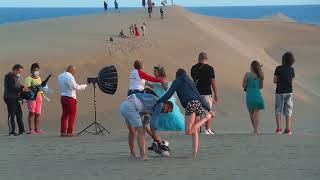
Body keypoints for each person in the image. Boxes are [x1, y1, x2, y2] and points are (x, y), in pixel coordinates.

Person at [157, 69, 215, 159]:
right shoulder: (190, 82)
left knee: (189, 131)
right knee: (194, 131)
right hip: (198, 104)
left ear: (177, 75)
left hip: (190, 105)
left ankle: (206, 118)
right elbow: (199, 96)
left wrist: (159, 101)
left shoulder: (177, 81)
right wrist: (208, 108)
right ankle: (194, 154)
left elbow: (169, 94)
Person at [120, 92, 173, 160]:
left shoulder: (151, 106)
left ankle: (133, 154)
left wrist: (153, 136)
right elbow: (153, 125)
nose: (166, 112)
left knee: (132, 132)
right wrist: (157, 138)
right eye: (167, 110)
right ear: (166, 105)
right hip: (131, 106)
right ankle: (143, 156)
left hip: (124, 106)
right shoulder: (160, 104)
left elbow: (144, 125)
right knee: (141, 132)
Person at [147, 65, 184, 131]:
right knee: (159, 114)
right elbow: (154, 86)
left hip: (165, 98)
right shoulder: (155, 79)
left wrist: (163, 84)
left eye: (155, 71)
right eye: (154, 71)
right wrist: (146, 83)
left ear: (159, 72)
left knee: (170, 114)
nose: (154, 73)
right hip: (157, 97)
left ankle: (178, 127)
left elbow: (166, 88)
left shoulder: (162, 78)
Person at [191, 52, 218, 135]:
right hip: (206, 93)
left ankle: (196, 128)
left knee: (197, 111)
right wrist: (216, 94)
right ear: (206, 59)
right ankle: (207, 129)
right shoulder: (210, 68)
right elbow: (213, 83)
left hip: (196, 93)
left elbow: (194, 80)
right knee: (208, 111)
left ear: (198, 59)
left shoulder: (193, 68)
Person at [57, 65, 87, 137]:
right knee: (72, 115)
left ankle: (63, 131)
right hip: (70, 98)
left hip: (63, 97)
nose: (74, 73)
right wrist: (84, 85)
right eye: (74, 71)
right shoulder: (70, 76)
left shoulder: (60, 76)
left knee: (64, 115)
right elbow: (75, 86)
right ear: (71, 70)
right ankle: (69, 132)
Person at [273, 52, 296, 135]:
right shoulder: (292, 69)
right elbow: (292, 80)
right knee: (288, 111)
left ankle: (279, 129)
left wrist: (279, 80)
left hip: (279, 92)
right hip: (289, 92)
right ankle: (288, 129)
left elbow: (275, 80)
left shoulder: (278, 68)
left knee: (278, 110)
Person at [3, 64, 28, 136]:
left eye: (20, 72)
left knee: (19, 114)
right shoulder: (9, 76)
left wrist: (24, 88)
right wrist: (22, 89)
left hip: (16, 98)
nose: (20, 73)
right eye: (19, 71)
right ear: (14, 70)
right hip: (10, 98)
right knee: (11, 114)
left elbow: (18, 87)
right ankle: (11, 131)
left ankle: (22, 130)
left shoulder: (16, 77)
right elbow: (11, 87)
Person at [242, 61, 265, 135]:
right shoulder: (260, 76)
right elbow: (261, 87)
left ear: (251, 67)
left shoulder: (247, 74)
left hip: (250, 96)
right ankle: (256, 129)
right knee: (256, 114)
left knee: (251, 114)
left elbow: (243, 85)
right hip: (257, 96)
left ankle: (255, 129)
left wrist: (247, 85)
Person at [24, 63, 45, 134]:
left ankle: (37, 129)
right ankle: (31, 129)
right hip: (31, 98)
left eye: (38, 70)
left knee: (37, 113)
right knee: (31, 113)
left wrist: (42, 93)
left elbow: (41, 87)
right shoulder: (28, 79)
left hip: (39, 97)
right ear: (31, 70)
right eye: (35, 70)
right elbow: (26, 89)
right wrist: (35, 88)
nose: (37, 72)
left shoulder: (39, 78)